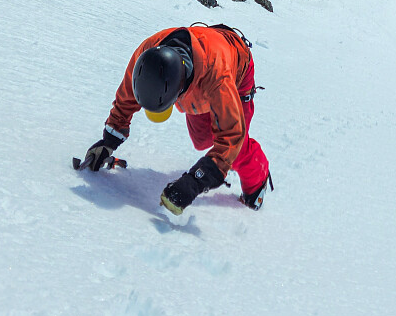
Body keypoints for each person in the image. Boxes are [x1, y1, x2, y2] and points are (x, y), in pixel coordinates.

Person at [80, 23, 273, 213]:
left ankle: (257, 179)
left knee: (233, 147)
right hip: (204, 66)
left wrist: (196, 181)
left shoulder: (217, 78)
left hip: (235, 69)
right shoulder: (148, 52)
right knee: (202, 141)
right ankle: (220, 162)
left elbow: (231, 136)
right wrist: (110, 140)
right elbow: (126, 98)